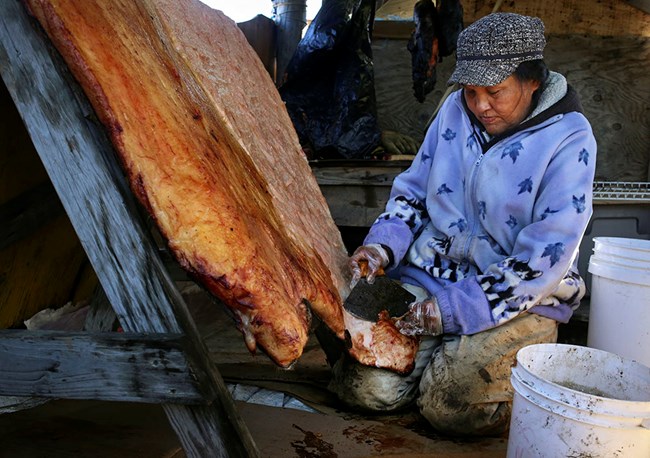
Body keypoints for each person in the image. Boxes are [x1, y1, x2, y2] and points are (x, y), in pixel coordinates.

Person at [329, 12, 597, 436]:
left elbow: (545, 257)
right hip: (431, 275)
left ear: (532, 81)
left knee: (451, 407)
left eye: (495, 91)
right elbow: (414, 193)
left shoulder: (569, 137)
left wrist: (450, 314)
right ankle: (444, 358)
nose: (480, 105)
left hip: (516, 295)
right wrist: (382, 246)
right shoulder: (454, 112)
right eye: (471, 92)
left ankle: (506, 351)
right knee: (366, 390)